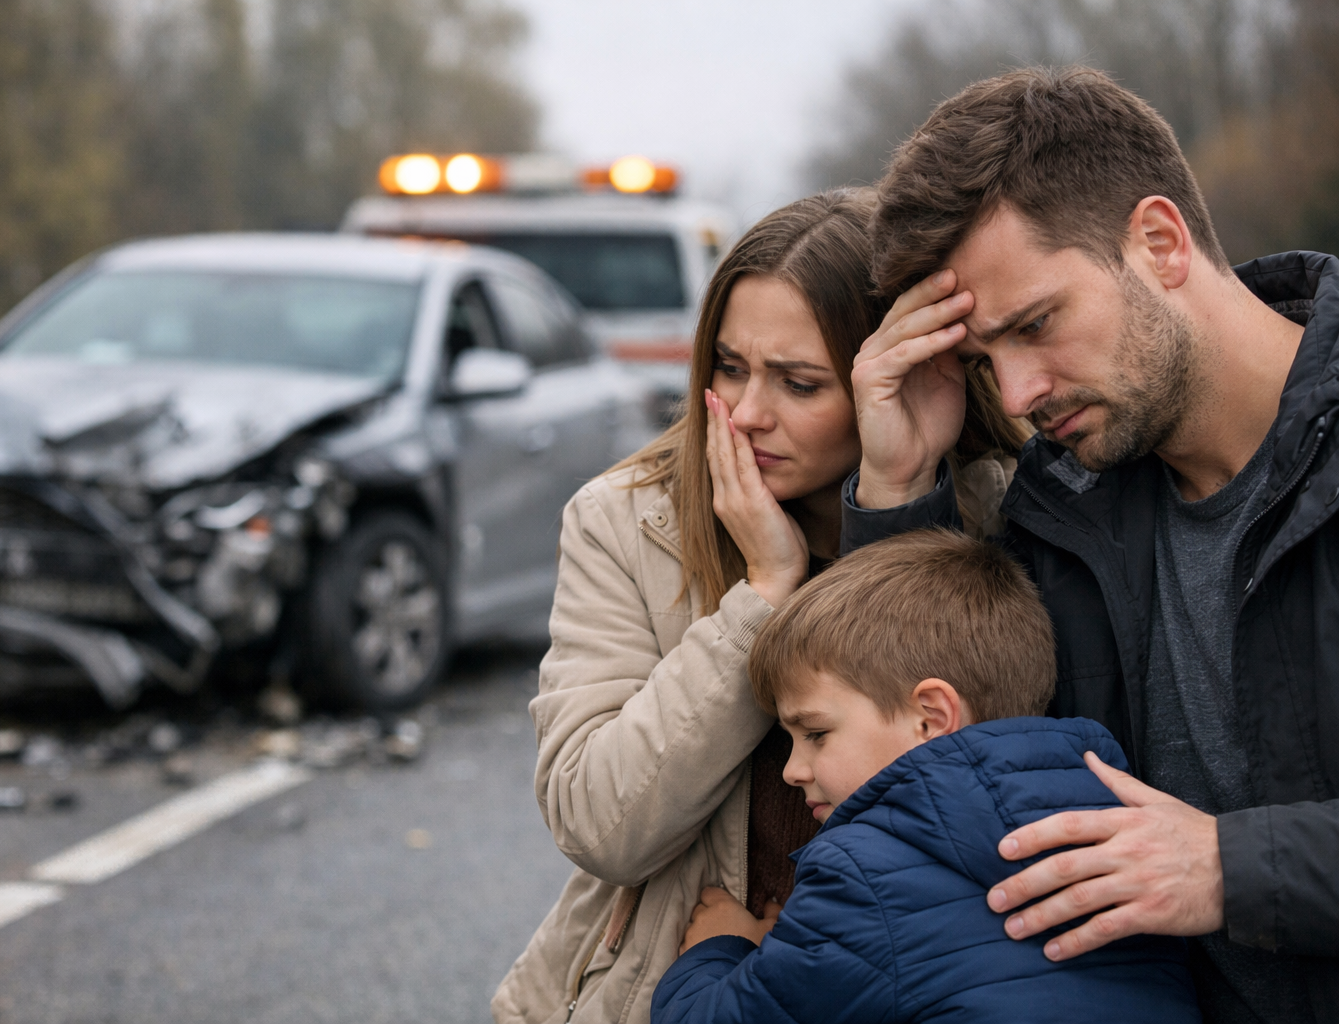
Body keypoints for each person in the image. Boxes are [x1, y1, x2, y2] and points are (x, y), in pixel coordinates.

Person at [843, 66, 1339, 1021]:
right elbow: (932, 755)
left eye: (1035, 325)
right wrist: (900, 485)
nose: (1017, 394)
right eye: (983, 358)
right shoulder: (1060, 510)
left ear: (1159, 242)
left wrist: (1229, 866)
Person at [491, 190, 1029, 1024]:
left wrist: (894, 500)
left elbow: (969, 796)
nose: (746, 416)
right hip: (664, 987)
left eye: (799, 383)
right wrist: (763, 594)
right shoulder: (627, 522)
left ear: (892, 377)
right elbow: (600, 824)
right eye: (730, 368)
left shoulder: (1001, 512)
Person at [649, 529, 1202, 1024]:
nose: (792, 771)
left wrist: (720, 948)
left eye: (815, 733)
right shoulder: (1122, 826)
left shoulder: (864, 874)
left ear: (931, 719)